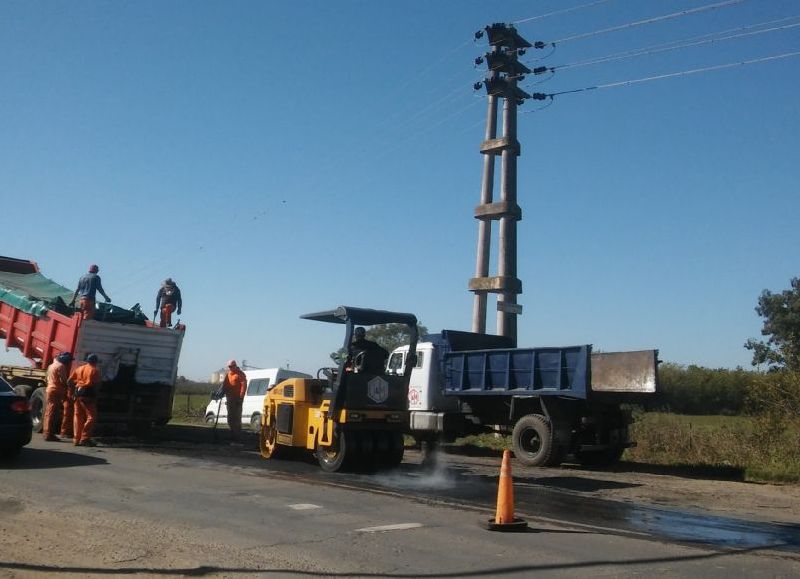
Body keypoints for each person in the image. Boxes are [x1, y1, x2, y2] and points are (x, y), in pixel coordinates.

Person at [68, 353, 102, 447]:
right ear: (95, 361)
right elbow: (96, 385)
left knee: (78, 417)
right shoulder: (94, 370)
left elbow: (69, 381)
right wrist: (96, 396)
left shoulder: (79, 368)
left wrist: (71, 393)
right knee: (92, 417)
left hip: (77, 393)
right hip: (87, 394)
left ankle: (76, 440)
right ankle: (85, 438)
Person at [42, 352, 73, 441]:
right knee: (52, 413)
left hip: (50, 389)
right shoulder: (61, 366)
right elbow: (63, 380)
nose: (69, 363)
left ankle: (47, 433)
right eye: (69, 361)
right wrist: (68, 387)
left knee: (49, 411)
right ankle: (48, 434)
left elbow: (47, 378)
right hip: (56, 390)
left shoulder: (51, 366)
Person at [221, 360, 247, 445]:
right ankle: (232, 435)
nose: (230, 368)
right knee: (230, 418)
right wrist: (221, 393)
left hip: (237, 400)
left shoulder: (240, 374)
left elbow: (244, 386)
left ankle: (238, 437)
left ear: (235, 366)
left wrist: (241, 397)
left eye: (232, 366)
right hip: (230, 399)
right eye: (229, 367)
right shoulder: (228, 375)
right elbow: (224, 385)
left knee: (237, 419)